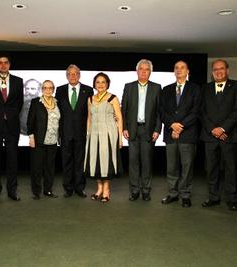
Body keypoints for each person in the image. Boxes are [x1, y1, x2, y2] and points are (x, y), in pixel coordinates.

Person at [200, 59, 237, 211]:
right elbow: (202, 111)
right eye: (215, 69)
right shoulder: (205, 88)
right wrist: (213, 129)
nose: (218, 71)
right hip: (210, 135)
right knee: (211, 168)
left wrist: (223, 129)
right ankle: (213, 197)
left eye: (222, 68)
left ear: (227, 70)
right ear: (212, 72)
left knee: (231, 168)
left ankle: (231, 198)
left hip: (229, 135)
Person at [160, 60, 201, 208]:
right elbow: (162, 111)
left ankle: (185, 194)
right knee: (171, 167)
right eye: (176, 67)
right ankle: (172, 193)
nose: (179, 70)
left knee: (187, 166)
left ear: (187, 71)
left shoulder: (195, 89)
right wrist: (172, 125)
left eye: (182, 67)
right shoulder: (166, 89)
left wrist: (180, 127)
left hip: (188, 134)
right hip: (170, 134)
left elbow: (196, 111)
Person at [0, 53, 24, 202]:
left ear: (9, 64)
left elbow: (19, 103)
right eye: (0, 63)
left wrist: (10, 115)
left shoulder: (18, 81)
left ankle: (12, 191)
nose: (3, 65)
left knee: (12, 160)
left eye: (6, 62)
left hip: (12, 126)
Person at [121, 59, 162, 201]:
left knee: (147, 162)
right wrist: (124, 128)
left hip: (148, 130)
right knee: (133, 162)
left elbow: (159, 112)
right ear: (137, 71)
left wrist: (157, 129)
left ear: (150, 72)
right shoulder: (129, 87)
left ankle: (146, 191)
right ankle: (134, 191)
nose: (144, 72)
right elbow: (123, 110)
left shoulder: (157, 88)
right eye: (141, 69)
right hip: (132, 130)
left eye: (147, 69)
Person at [55, 64, 94, 198]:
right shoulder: (59, 90)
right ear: (66, 76)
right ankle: (68, 188)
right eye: (70, 74)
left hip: (82, 132)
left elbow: (91, 112)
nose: (73, 76)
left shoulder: (88, 90)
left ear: (79, 75)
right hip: (65, 132)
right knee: (66, 161)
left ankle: (79, 188)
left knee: (80, 161)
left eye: (75, 73)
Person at [84, 73, 123, 202]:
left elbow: (119, 118)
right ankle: (99, 189)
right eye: (98, 82)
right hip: (94, 134)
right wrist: (88, 134)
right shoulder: (90, 99)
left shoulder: (113, 98)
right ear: (94, 84)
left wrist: (121, 138)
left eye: (103, 82)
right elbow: (89, 118)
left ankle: (106, 190)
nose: (100, 84)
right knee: (96, 163)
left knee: (106, 163)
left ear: (107, 84)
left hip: (108, 134)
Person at [27, 80, 60, 199]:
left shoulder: (57, 102)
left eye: (50, 88)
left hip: (53, 140)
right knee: (37, 167)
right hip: (39, 140)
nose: (48, 90)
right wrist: (31, 137)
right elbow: (30, 121)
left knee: (50, 167)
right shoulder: (36, 102)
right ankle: (36, 192)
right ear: (42, 89)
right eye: (45, 88)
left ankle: (48, 190)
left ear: (53, 89)